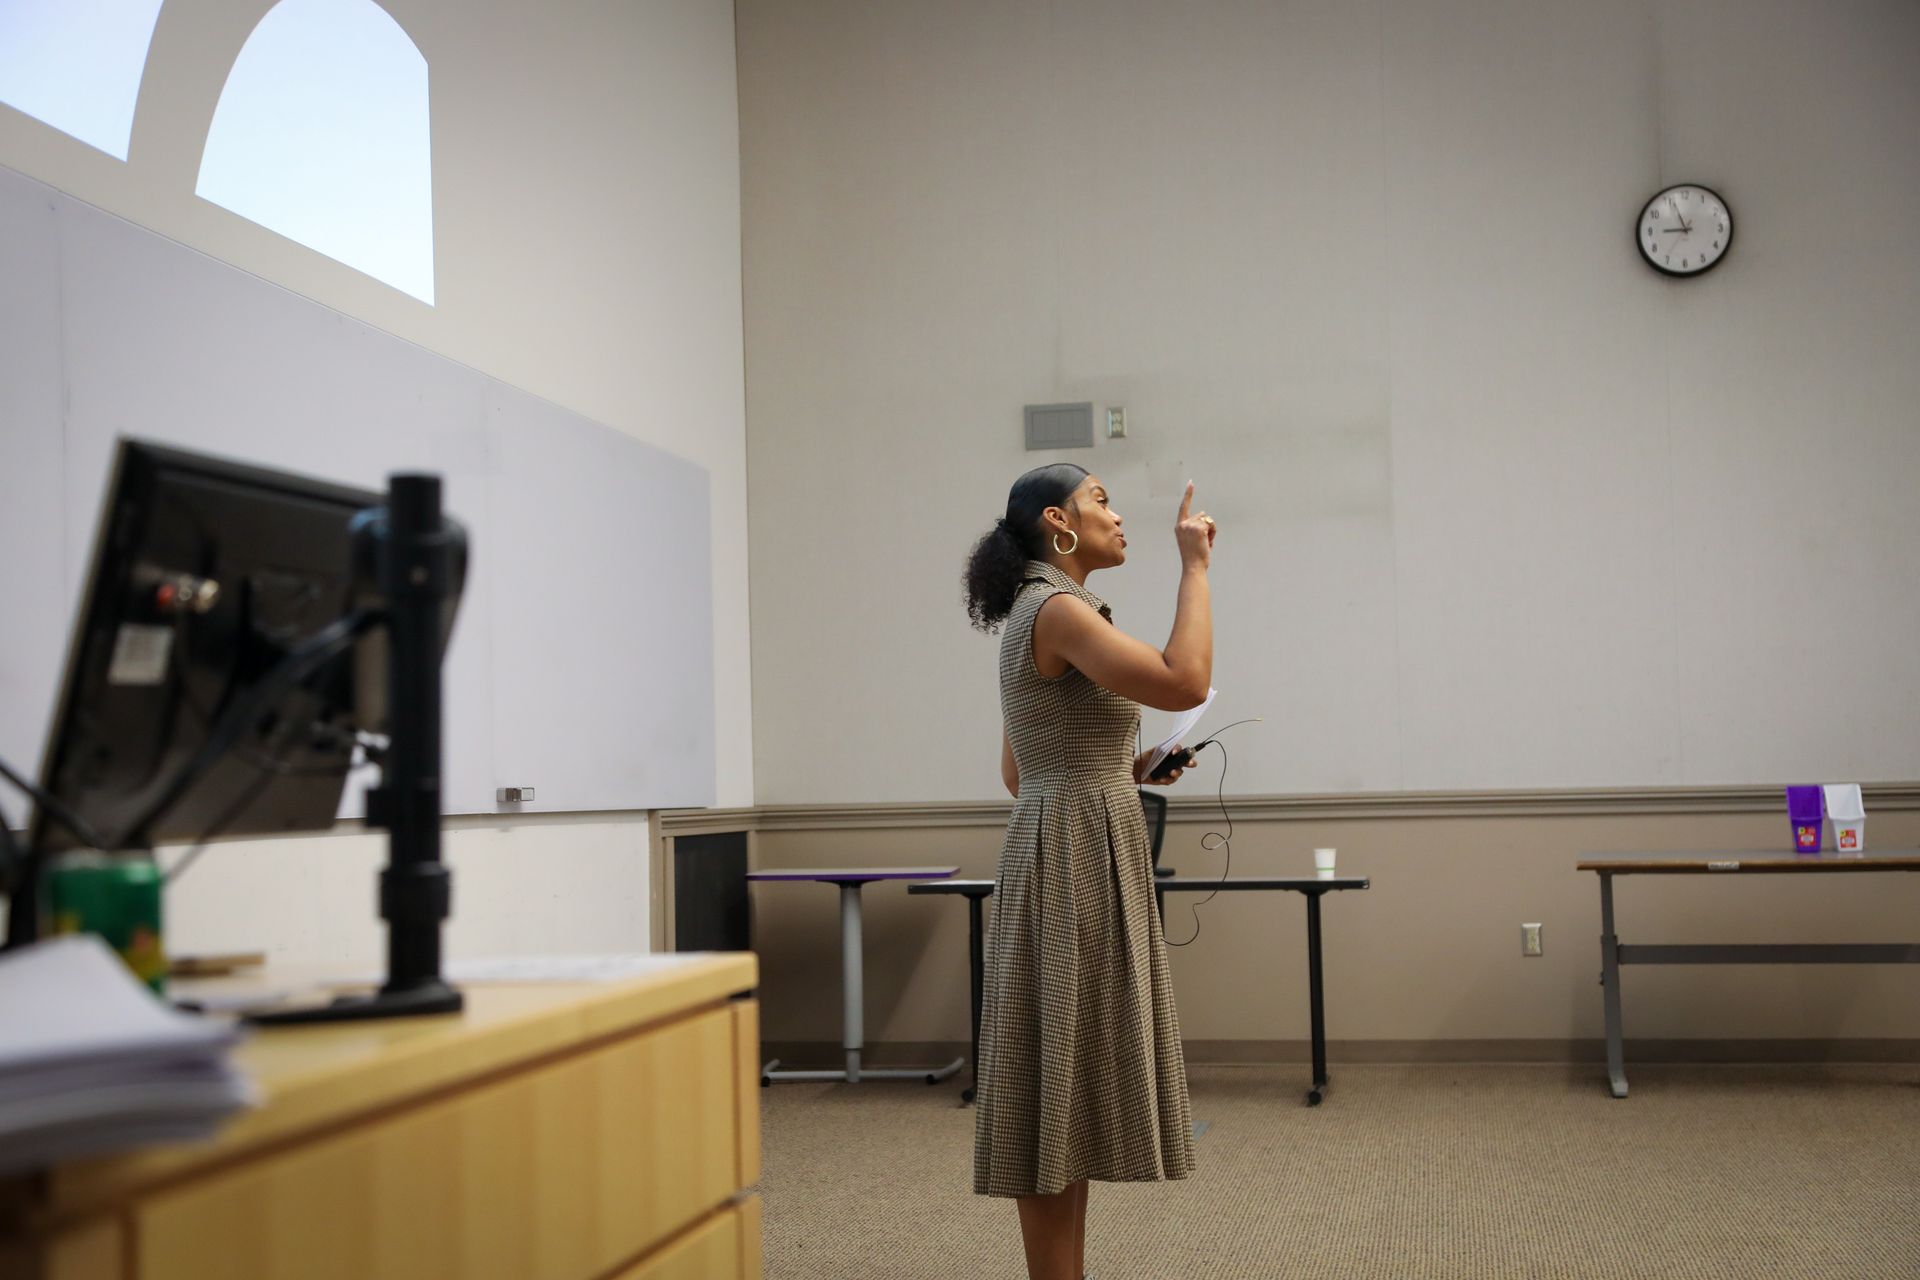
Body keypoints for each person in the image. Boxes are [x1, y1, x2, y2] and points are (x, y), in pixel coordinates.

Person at [961, 463, 1217, 1280]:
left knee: (1064, 1079)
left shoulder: (1042, 610)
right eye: (1101, 500)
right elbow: (1186, 679)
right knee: (1053, 1080)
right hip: (1073, 854)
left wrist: (1128, 768)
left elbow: (1020, 771)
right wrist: (1195, 566)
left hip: (1068, 839)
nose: (1118, 515)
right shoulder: (1057, 609)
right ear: (1057, 521)